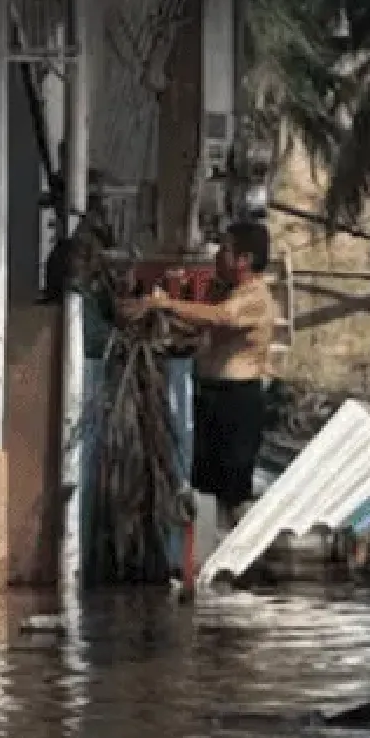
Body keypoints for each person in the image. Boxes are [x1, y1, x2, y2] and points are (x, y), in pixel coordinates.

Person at [131, 221, 277, 525]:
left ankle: (232, 554)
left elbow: (223, 317)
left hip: (237, 402)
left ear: (244, 259)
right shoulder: (227, 293)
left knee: (232, 491)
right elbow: (199, 325)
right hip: (210, 395)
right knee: (201, 484)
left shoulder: (256, 297)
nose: (217, 256)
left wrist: (166, 303)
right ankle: (200, 554)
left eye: (225, 250)